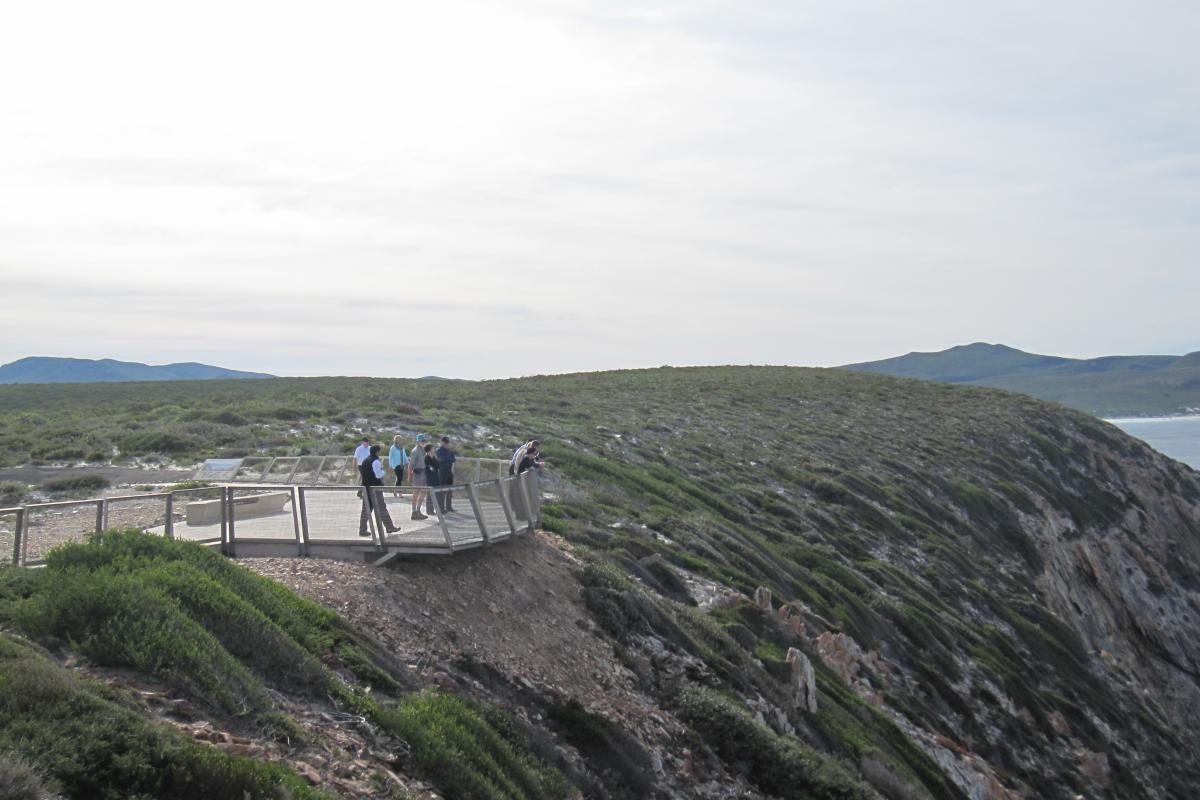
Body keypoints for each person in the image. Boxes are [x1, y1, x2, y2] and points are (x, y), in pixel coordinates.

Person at [358, 444, 400, 537]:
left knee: (366, 510)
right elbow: (378, 475)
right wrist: (383, 472)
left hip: (366, 488)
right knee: (381, 508)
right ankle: (389, 527)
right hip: (375, 488)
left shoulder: (365, 461)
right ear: (377, 452)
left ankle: (362, 530)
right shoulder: (375, 461)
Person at [408, 434, 429, 520]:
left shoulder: (424, 450)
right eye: (422, 441)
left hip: (424, 473)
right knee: (415, 493)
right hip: (418, 473)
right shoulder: (415, 451)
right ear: (417, 441)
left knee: (424, 492)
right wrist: (409, 476)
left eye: (424, 441)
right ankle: (414, 512)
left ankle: (418, 510)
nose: (423, 442)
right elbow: (410, 465)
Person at [435, 435, 457, 511]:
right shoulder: (439, 450)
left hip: (449, 472)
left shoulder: (449, 450)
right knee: (442, 491)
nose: (447, 444)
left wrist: (448, 459)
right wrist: (449, 458)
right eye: (445, 442)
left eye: (447, 442)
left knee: (449, 490)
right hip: (442, 472)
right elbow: (443, 459)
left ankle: (449, 507)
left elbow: (454, 459)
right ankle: (441, 508)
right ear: (442, 442)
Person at [423, 443, 443, 513]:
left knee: (436, 494)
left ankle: (437, 509)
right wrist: (434, 468)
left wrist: (435, 466)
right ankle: (429, 510)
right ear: (429, 450)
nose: (434, 449)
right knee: (429, 494)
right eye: (432, 448)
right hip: (429, 477)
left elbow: (438, 465)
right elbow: (428, 468)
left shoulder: (434, 457)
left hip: (435, 477)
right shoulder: (426, 458)